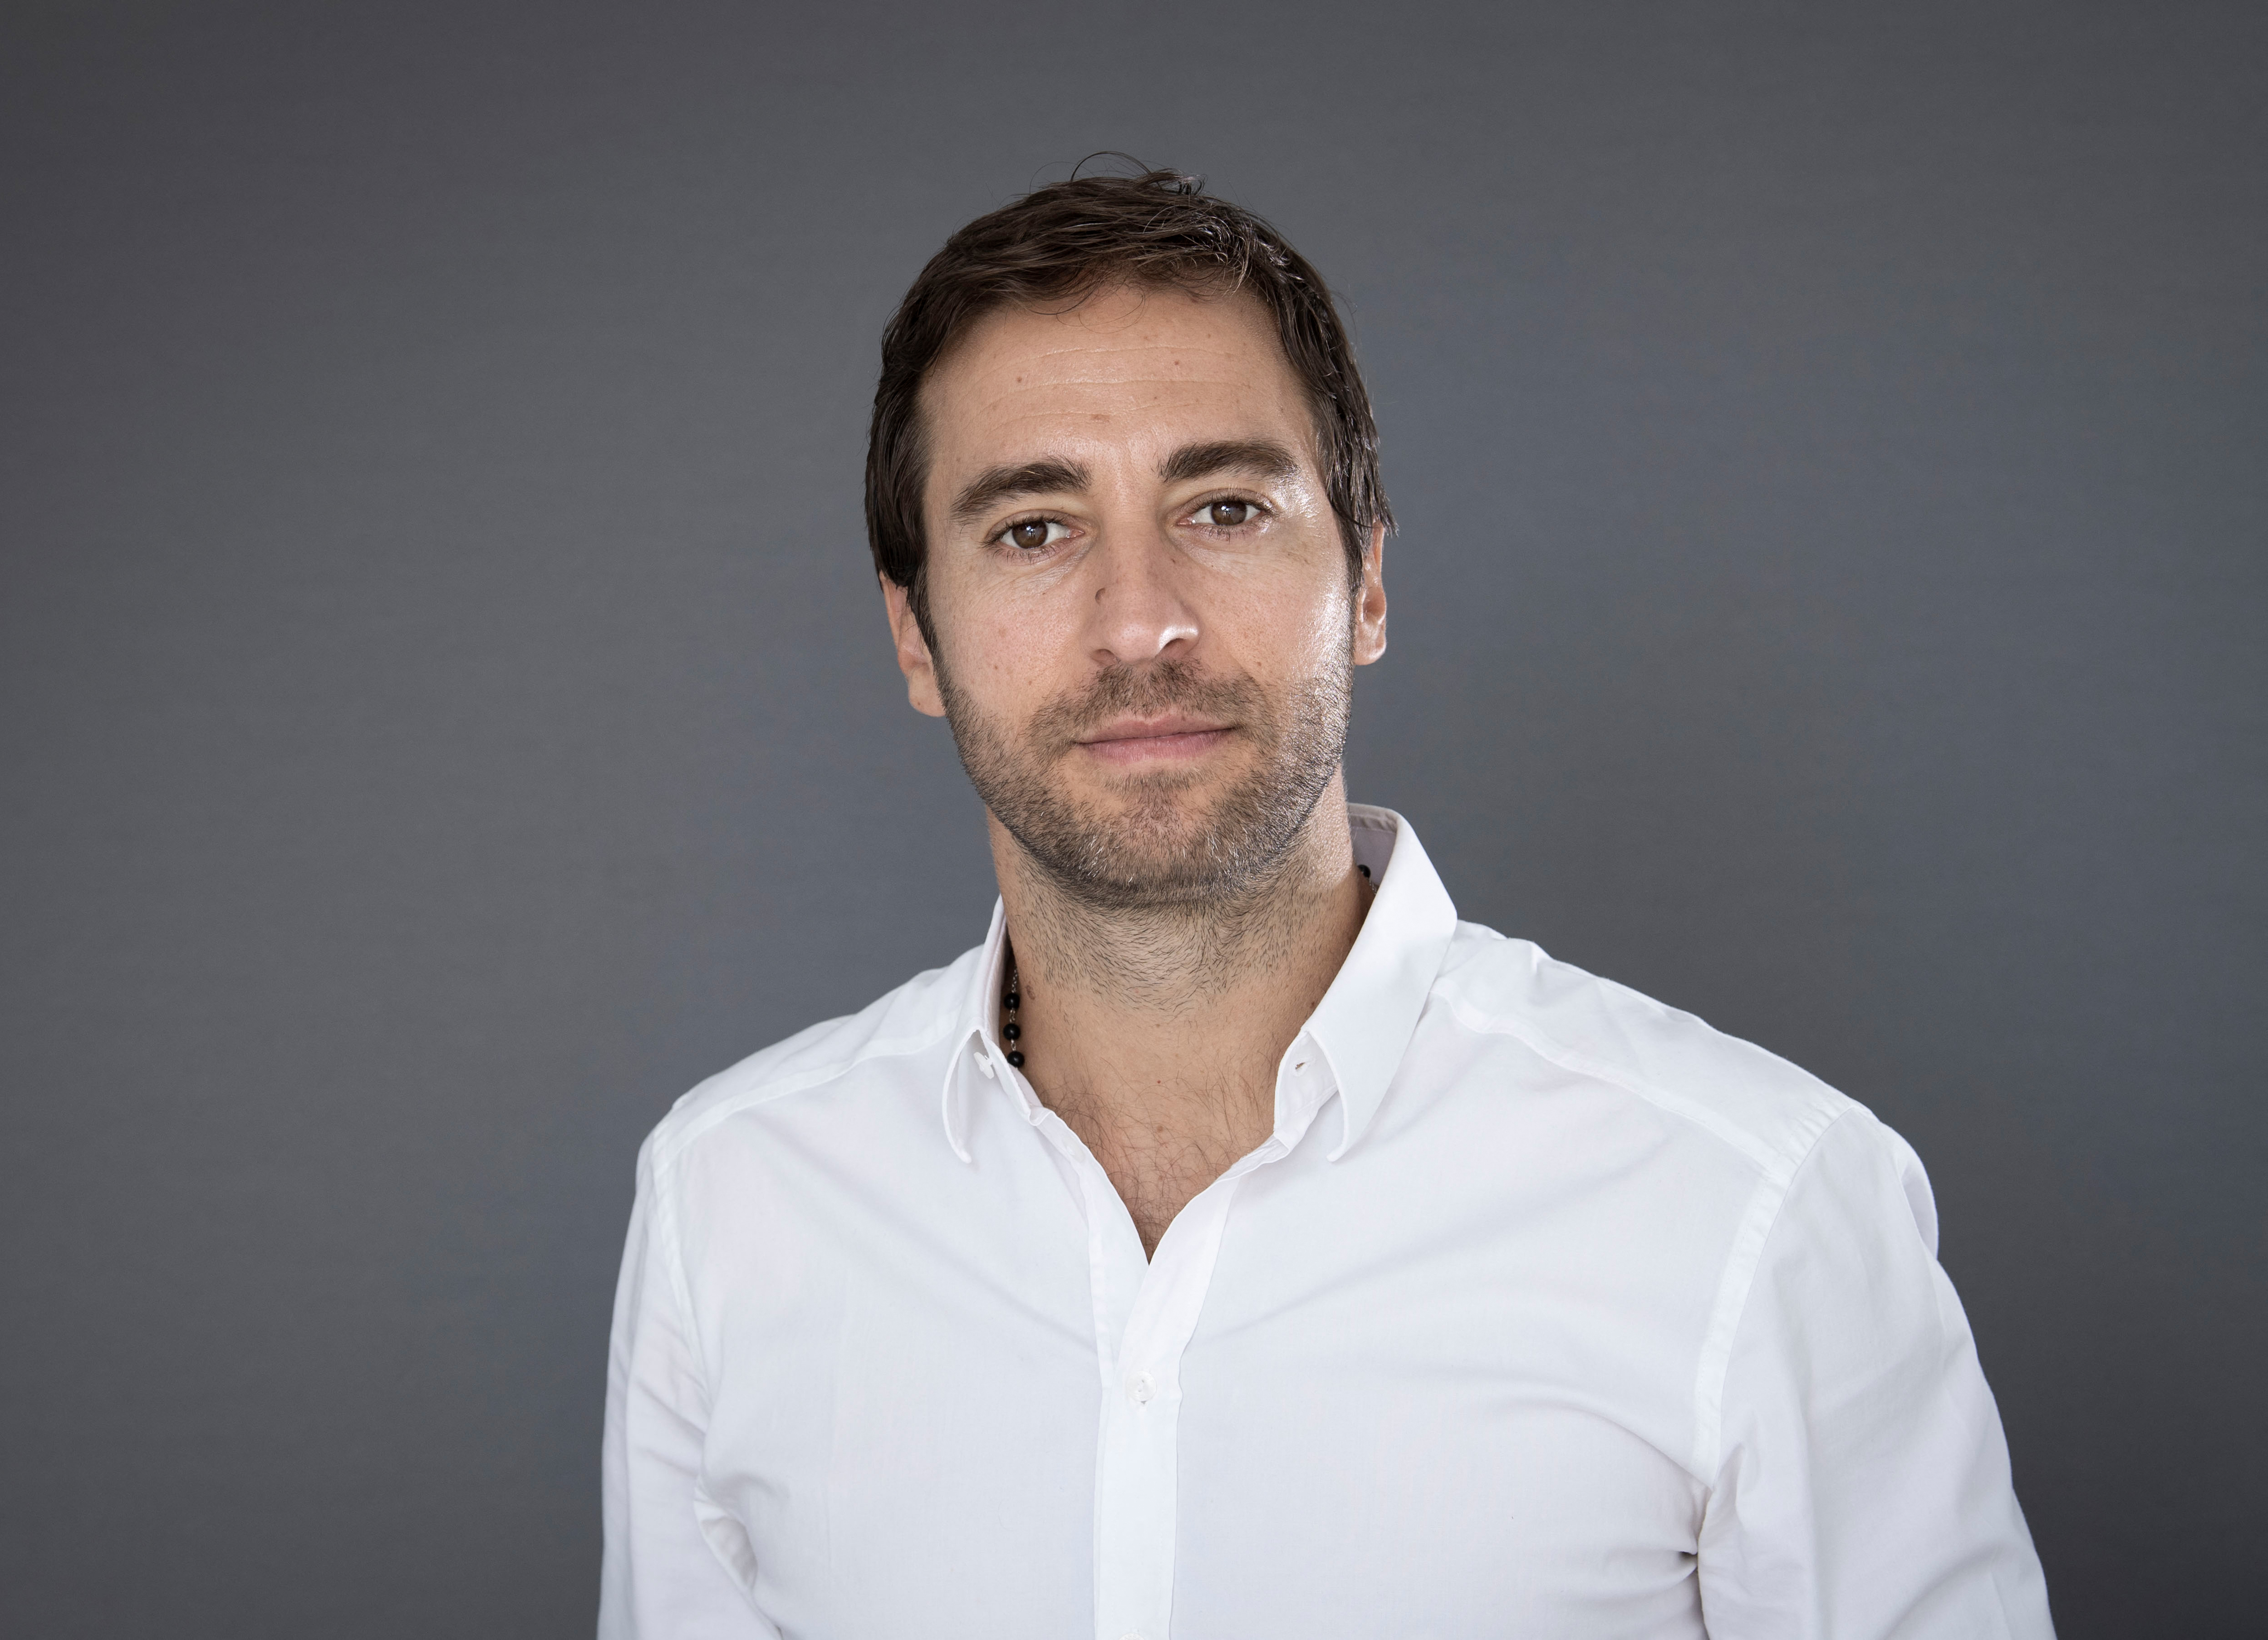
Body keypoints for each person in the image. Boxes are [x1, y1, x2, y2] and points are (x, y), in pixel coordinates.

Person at [597, 168, 2052, 1640]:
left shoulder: (1762, 1210)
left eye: (1224, 506)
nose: (1139, 620)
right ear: (917, 638)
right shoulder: (735, 1205)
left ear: (1363, 578)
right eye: (1034, 528)